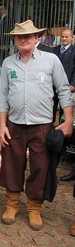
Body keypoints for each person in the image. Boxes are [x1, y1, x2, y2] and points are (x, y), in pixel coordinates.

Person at [0, 20, 73, 231]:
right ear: (14, 40)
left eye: (28, 36)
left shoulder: (51, 60)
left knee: (40, 167)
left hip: (42, 125)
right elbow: (2, 96)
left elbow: (64, 90)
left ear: (37, 39)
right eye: (19, 36)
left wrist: (68, 120)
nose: (24, 39)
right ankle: (12, 204)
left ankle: (34, 207)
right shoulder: (8, 63)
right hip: (14, 124)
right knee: (12, 165)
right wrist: (2, 124)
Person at [55, 29, 75, 181]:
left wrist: (73, 85)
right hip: (52, 88)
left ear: (71, 37)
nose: (64, 39)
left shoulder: (74, 52)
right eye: (62, 36)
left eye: (67, 36)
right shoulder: (54, 51)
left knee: (66, 118)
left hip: (68, 88)